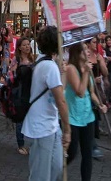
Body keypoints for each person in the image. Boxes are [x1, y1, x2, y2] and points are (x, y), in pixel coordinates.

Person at [22, 25, 71, 181]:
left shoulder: (46, 63)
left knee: (56, 167)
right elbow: (61, 100)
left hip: (51, 125)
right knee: (40, 175)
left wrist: (62, 72)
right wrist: (68, 130)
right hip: (40, 127)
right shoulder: (49, 66)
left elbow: (59, 90)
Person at [65, 42, 107, 181]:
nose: (88, 52)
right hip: (73, 117)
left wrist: (100, 104)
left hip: (88, 116)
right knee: (72, 152)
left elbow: (91, 92)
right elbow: (80, 92)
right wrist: (86, 72)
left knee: (87, 154)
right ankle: (56, 171)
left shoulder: (87, 68)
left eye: (87, 49)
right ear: (77, 53)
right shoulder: (71, 68)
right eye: (84, 50)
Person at [10, 36, 37, 155]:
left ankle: (34, 143)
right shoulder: (16, 60)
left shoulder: (33, 59)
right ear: (20, 47)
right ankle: (20, 144)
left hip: (32, 91)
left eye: (28, 44)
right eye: (24, 45)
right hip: (20, 92)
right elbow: (10, 76)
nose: (27, 47)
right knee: (20, 119)